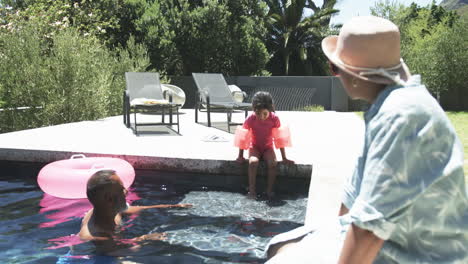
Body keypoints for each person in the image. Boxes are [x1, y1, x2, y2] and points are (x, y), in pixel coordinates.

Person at [265, 16, 467, 263]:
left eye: (335, 68)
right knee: (279, 245)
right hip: (395, 242)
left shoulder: (402, 116)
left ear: (355, 76)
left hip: (416, 254)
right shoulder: (386, 107)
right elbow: (349, 203)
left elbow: (368, 231)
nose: (335, 75)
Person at [78, 169, 192, 254]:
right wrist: (145, 239)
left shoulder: (108, 210)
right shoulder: (97, 237)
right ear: (109, 199)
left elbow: (131, 209)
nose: (127, 191)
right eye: (122, 189)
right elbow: (118, 251)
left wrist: (170, 206)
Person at [236, 91, 294, 200]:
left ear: (270, 110)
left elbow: (279, 138)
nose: (261, 117)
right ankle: (252, 191)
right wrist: (240, 155)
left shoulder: (274, 119)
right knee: (253, 162)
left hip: (268, 147)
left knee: (273, 163)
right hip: (255, 147)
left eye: (265, 114)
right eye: (258, 113)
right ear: (254, 110)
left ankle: (269, 190)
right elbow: (243, 136)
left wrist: (284, 157)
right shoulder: (250, 118)